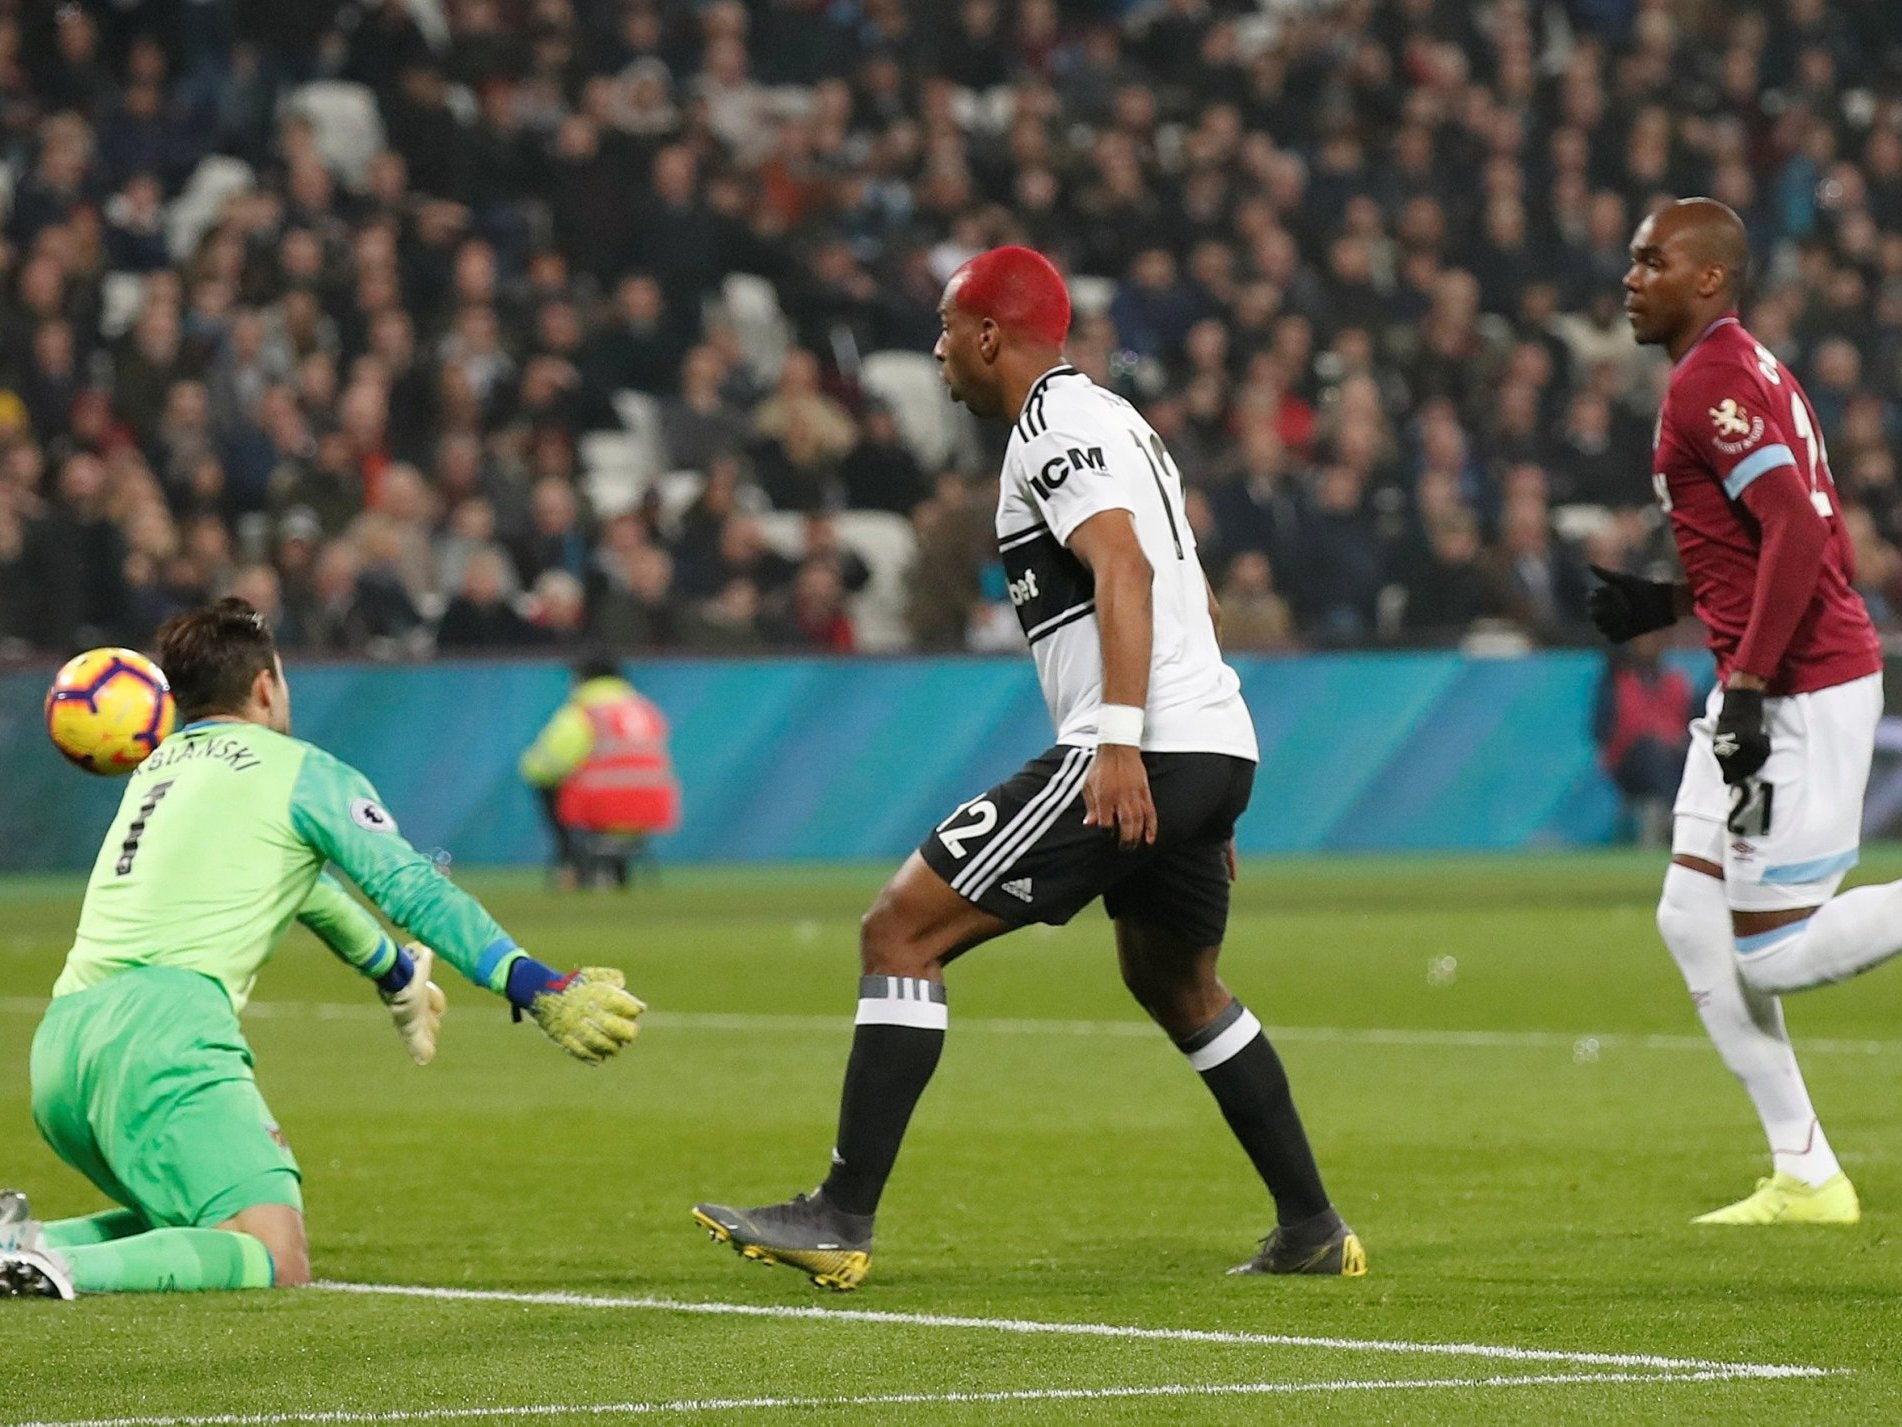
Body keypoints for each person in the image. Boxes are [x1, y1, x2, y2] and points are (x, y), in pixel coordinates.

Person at [692, 246, 1362, 1289]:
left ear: (991, 335)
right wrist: (1204, 801)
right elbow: (1196, 591)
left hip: (1143, 741)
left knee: (900, 928)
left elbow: (1130, 569)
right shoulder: (1125, 424)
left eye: (948, 328)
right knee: (1174, 980)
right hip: (1214, 740)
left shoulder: (1054, 429)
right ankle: (1312, 1224)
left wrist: (1126, 742)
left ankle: (839, 1213)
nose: (938, 349)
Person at [0, 599, 646, 1300]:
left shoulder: (159, 772)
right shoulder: (298, 770)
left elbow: (309, 893)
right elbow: (412, 888)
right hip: (163, 1037)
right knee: (275, 1254)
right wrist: (537, 985)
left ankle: (26, 1244)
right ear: (267, 686)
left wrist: (393, 971)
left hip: (63, 1048)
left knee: (194, 1216)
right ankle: (58, 1270)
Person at [1590, 197, 1902, 1226]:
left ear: (1709, 279)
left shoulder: (1713, 382)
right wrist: (1672, 602)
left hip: (1800, 685)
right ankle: (1806, 1170)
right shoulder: (1736, 369)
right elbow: (1775, 537)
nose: (1632, 278)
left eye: (1653, 262)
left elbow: (1803, 535)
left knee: (1771, 948)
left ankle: (1807, 1168)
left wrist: (1757, 687)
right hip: (1764, 672)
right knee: (1688, 916)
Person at [519, 652, 681, 889]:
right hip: (652, 807)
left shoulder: (585, 712)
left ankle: (570, 859)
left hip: (601, 807)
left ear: (582, 678)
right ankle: (615, 868)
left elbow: (544, 765)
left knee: (546, 783)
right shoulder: (645, 709)